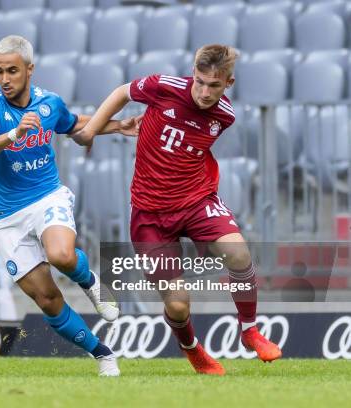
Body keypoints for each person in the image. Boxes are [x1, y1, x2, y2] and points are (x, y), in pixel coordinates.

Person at [72, 44, 282, 375]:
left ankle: (249, 331)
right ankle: (192, 349)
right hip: (150, 214)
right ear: (193, 74)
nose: (204, 91)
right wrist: (90, 130)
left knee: (238, 253)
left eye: (214, 85)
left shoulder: (224, 115)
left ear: (229, 83)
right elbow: (122, 92)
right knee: (178, 304)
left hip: (197, 201)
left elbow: (189, 147)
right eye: (199, 81)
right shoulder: (165, 86)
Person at [0, 35, 139, 376]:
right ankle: (102, 353)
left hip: (47, 196)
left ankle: (90, 281)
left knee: (61, 254)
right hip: (6, 217)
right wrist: (14, 134)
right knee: (47, 299)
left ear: (29, 70)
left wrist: (118, 125)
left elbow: (73, 124)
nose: (5, 79)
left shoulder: (49, 103)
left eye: (12, 71)